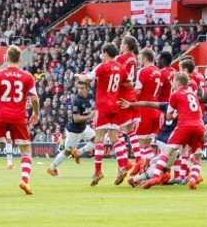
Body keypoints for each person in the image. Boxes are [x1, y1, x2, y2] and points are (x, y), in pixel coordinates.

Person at [0, 45, 39, 195]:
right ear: (20, 58)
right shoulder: (27, 77)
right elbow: (34, 98)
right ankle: (24, 180)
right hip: (18, 116)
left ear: (7, 57)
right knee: (26, 151)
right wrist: (36, 113)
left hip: (1, 116)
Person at [130, 73, 204, 190]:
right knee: (196, 157)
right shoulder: (193, 95)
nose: (172, 84)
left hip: (181, 128)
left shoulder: (174, 95)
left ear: (178, 83)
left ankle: (153, 176)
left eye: (173, 81)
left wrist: (176, 114)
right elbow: (199, 114)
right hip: (199, 126)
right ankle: (193, 179)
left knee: (168, 154)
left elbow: (168, 116)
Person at [74, 43, 131, 186]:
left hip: (103, 106)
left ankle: (97, 171)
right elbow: (129, 83)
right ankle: (122, 168)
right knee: (114, 137)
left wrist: (76, 76)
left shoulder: (103, 66)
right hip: (115, 106)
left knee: (99, 138)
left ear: (105, 53)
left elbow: (87, 78)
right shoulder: (121, 68)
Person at [47, 81, 96, 176]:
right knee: (67, 151)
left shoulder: (90, 96)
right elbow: (76, 118)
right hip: (74, 130)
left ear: (87, 89)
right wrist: (90, 116)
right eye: (79, 88)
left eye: (82, 88)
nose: (80, 90)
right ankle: (52, 168)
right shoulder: (76, 101)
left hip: (83, 128)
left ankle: (79, 152)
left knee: (97, 140)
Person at [132, 48, 162, 174]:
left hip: (144, 110)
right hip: (156, 110)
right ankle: (148, 171)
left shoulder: (143, 71)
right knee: (147, 145)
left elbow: (138, 91)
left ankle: (142, 172)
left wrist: (129, 101)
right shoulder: (159, 71)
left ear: (145, 59)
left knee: (140, 143)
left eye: (140, 59)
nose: (139, 61)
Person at [116, 36, 140, 175]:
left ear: (125, 45)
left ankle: (125, 161)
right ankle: (137, 159)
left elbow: (117, 78)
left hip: (121, 96)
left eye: (121, 43)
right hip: (130, 95)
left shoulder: (120, 59)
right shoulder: (134, 58)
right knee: (130, 130)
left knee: (116, 130)